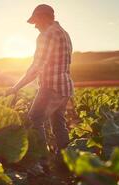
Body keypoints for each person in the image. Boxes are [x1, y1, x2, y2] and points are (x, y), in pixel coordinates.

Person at [6, 4, 74, 154]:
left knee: (34, 119)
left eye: (35, 21)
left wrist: (16, 87)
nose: (35, 26)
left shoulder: (47, 35)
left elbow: (37, 66)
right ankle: (65, 157)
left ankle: (42, 159)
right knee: (58, 123)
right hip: (65, 87)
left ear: (43, 17)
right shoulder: (64, 33)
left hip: (51, 86)